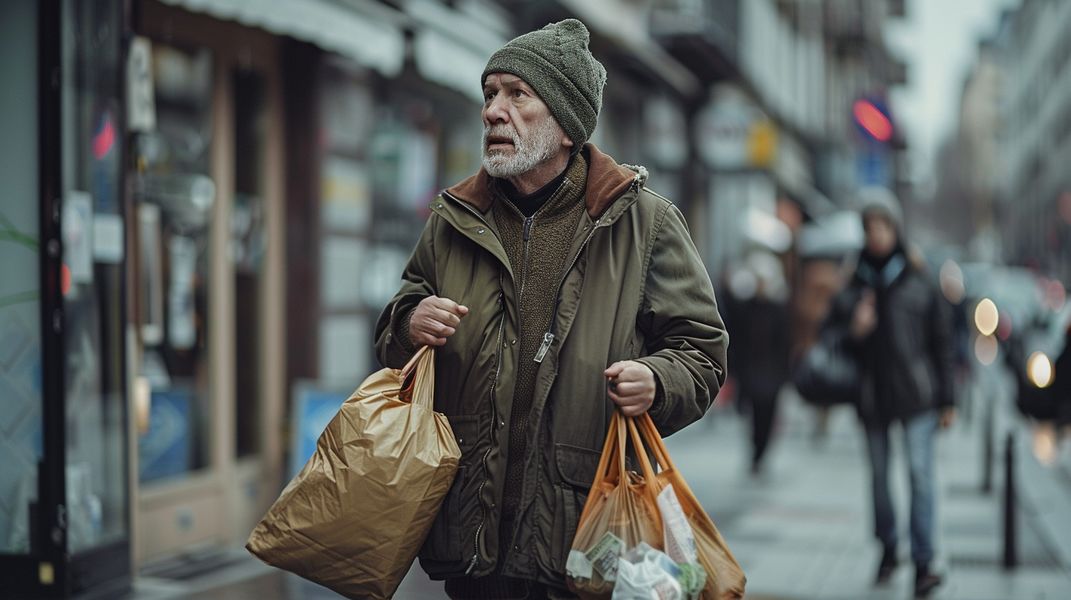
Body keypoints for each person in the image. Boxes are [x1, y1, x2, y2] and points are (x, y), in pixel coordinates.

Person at [373, 19, 728, 600]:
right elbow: (394, 329)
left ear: (566, 123)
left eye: (518, 95)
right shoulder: (453, 219)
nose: (493, 110)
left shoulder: (644, 223)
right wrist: (409, 323)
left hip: (585, 536)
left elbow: (702, 353)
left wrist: (658, 381)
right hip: (471, 541)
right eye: (490, 93)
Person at [822, 187, 956, 598]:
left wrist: (948, 399)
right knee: (879, 480)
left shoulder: (919, 279)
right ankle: (887, 547)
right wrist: (854, 330)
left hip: (917, 395)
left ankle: (923, 562)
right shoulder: (853, 282)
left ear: (896, 228)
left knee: (919, 476)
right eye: (869, 226)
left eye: (883, 225)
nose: (877, 233)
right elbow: (830, 340)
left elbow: (942, 342)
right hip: (873, 397)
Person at [724, 251, 790, 475]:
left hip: (772, 372)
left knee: (767, 415)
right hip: (750, 372)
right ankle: (755, 452)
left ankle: (761, 453)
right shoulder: (746, 308)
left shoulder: (778, 310)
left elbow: (784, 343)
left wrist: (785, 373)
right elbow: (736, 335)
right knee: (752, 415)